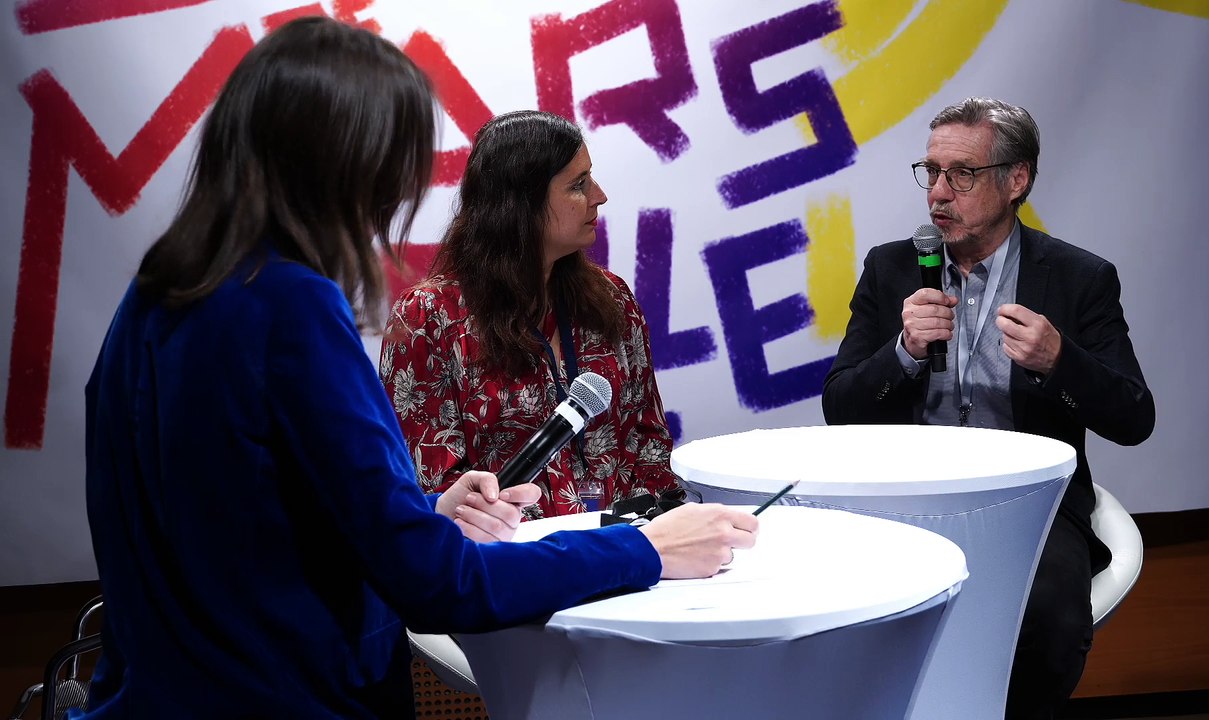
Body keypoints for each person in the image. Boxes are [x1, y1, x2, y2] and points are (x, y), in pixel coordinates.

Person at [79, 17, 757, 719]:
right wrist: (642, 551)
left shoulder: (152, 299)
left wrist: (415, 515)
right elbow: (437, 583)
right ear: (346, 164)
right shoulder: (293, 306)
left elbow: (236, 529)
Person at [822, 97, 1154, 718]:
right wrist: (903, 353)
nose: (938, 194)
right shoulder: (892, 267)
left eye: (962, 175)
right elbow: (839, 407)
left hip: (1029, 503)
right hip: (907, 496)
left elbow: (1135, 417)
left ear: (1016, 180)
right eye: (931, 172)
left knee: (1051, 611)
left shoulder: (1079, 279)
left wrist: (1061, 360)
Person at [381, 110, 680, 519]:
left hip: (628, 547)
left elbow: (650, 444)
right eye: (578, 185)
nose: (599, 195)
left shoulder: (613, 298)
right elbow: (431, 489)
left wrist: (648, 530)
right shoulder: (428, 319)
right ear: (520, 204)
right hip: (509, 562)